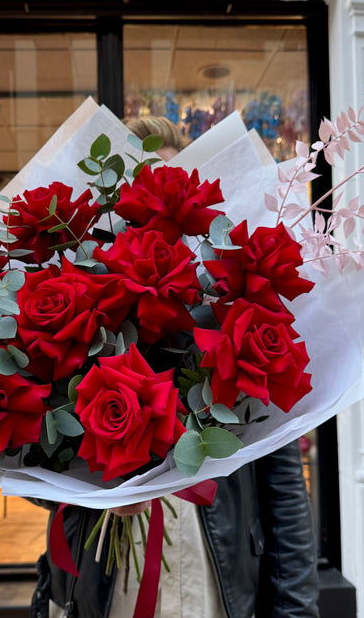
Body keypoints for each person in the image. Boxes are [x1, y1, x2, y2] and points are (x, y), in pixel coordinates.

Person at [30, 116, 320, 618]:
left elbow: (283, 491)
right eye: (140, 193)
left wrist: (293, 610)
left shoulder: (234, 318)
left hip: (213, 582)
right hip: (104, 584)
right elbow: (34, 471)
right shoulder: (86, 318)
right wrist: (93, 491)